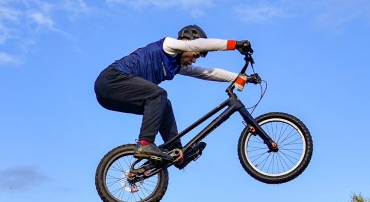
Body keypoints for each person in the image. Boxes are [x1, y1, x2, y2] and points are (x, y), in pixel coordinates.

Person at [94, 25, 257, 167]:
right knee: (158, 94)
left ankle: (176, 152)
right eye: (195, 55)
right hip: (111, 80)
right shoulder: (168, 45)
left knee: (163, 103)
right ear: (187, 44)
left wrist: (242, 77)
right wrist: (235, 44)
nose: (194, 60)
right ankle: (145, 143)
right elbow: (197, 44)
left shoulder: (178, 66)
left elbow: (208, 73)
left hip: (112, 96)